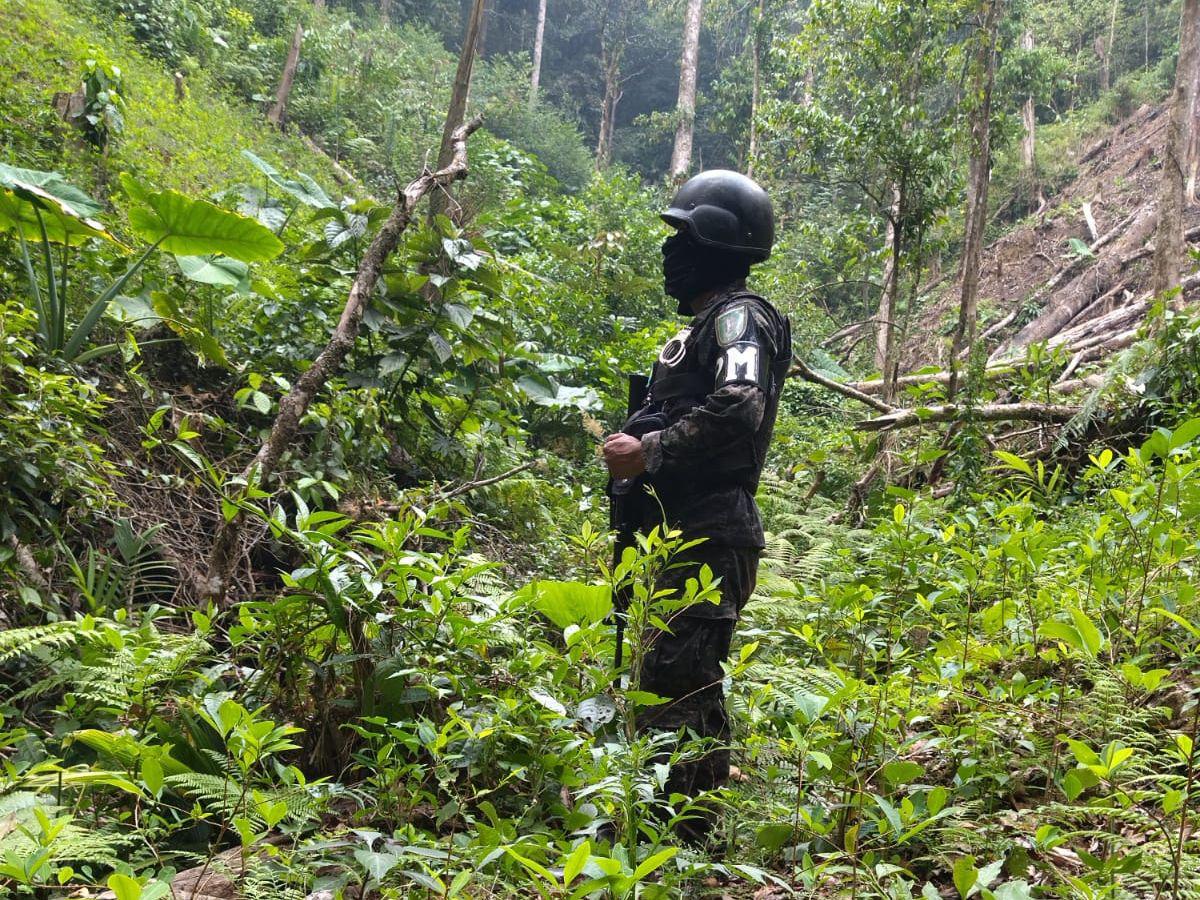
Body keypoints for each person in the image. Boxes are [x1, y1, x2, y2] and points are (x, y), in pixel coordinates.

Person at [602, 169, 791, 845]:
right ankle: (664, 834)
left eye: (682, 236)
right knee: (666, 683)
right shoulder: (708, 327)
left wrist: (650, 451)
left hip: (709, 535)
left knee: (682, 692)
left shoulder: (741, 317)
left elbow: (741, 408)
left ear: (716, 242)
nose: (668, 253)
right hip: (679, 535)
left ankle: (684, 846)